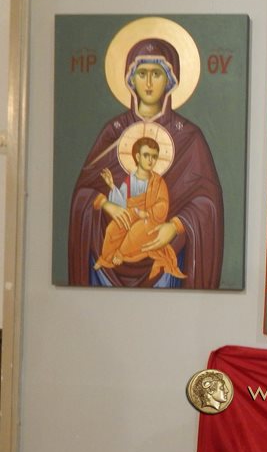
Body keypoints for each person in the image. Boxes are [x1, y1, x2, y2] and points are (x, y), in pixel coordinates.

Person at [68, 37, 223, 288]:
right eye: (142, 74)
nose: (149, 83)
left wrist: (175, 226)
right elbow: (83, 193)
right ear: (131, 79)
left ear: (170, 81)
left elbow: (207, 203)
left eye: (156, 74)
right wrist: (106, 205)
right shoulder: (113, 132)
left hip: (163, 259)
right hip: (108, 267)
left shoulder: (189, 137)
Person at [94, 136, 186, 281]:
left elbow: (162, 205)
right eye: (146, 155)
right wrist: (111, 185)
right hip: (132, 214)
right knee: (113, 228)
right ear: (137, 157)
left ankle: (120, 253)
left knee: (138, 230)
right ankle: (106, 258)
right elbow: (122, 205)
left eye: (154, 156)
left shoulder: (158, 182)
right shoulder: (129, 181)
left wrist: (147, 213)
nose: (150, 160)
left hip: (150, 220)